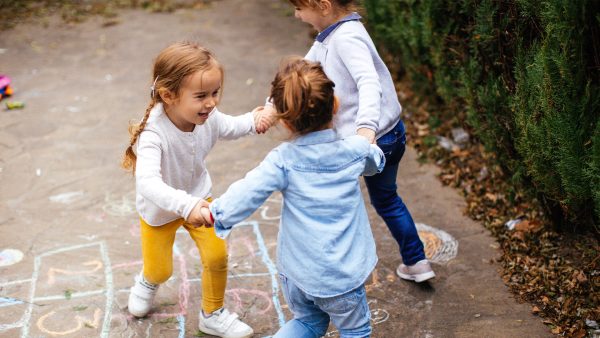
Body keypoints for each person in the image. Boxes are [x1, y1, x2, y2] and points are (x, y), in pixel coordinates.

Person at [197, 58, 385, 337]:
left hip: (298, 273)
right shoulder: (355, 150)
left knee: (308, 323)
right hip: (342, 277)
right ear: (335, 105)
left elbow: (250, 190)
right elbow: (375, 162)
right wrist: (369, 147)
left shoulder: (283, 160)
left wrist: (217, 213)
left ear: (283, 120)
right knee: (356, 331)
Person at [121, 41, 271, 338]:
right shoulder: (153, 133)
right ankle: (148, 281)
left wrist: (255, 120)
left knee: (217, 256)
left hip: (200, 200)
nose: (212, 103)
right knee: (161, 270)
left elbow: (231, 125)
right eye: (201, 96)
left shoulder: (208, 117)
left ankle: (212, 314)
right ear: (169, 96)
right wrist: (186, 205)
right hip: (161, 211)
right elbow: (148, 182)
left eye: (215, 93)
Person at [289, 0, 435, 282]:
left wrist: (366, 129)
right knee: (387, 200)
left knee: (332, 201)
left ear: (323, 6)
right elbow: (301, 73)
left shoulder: (347, 37)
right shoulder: (332, 34)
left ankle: (332, 270)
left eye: (299, 8)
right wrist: (272, 106)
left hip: (367, 142)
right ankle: (417, 263)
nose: (296, 15)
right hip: (390, 134)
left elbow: (369, 81)